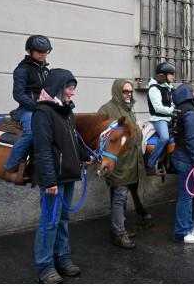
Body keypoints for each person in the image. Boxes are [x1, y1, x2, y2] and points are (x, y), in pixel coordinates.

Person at [32, 69, 93, 284]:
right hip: (54, 180)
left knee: (63, 220)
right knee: (49, 222)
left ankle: (62, 258)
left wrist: (85, 154)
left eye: (73, 89)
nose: (72, 93)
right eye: (70, 88)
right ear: (58, 88)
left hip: (68, 175)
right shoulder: (42, 112)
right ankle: (44, 266)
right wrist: (49, 180)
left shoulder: (66, 111)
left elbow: (71, 142)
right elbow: (42, 150)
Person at [97, 79, 145, 249]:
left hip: (131, 162)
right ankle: (118, 234)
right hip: (118, 164)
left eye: (130, 91)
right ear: (118, 91)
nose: (129, 94)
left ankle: (119, 228)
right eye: (125, 91)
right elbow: (101, 137)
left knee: (121, 197)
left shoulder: (127, 109)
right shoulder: (107, 110)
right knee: (119, 197)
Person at [5, 35, 52, 177]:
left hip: (45, 109)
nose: (43, 54)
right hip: (28, 109)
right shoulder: (21, 70)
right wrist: (35, 106)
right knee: (31, 133)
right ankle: (11, 166)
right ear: (29, 51)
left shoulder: (46, 71)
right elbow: (18, 94)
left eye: (46, 51)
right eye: (39, 51)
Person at [171, 83, 194, 243]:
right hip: (187, 158)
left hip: (180, 154)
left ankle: (190, 227)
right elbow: (191, 138)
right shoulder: (190, 112)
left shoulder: (178, 109)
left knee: (189, 195)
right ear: (190, 93)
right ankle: (181, 233)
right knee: (186, 197)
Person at [146, 62, 176, 176]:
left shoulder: (167, 88)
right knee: (164, 138)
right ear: (163, 75)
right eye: (171, 74)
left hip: (168, 118)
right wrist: (173, 111)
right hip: (158, 119)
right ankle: (150, 164)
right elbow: (158, 108)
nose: (173, 76)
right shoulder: (154, 89)